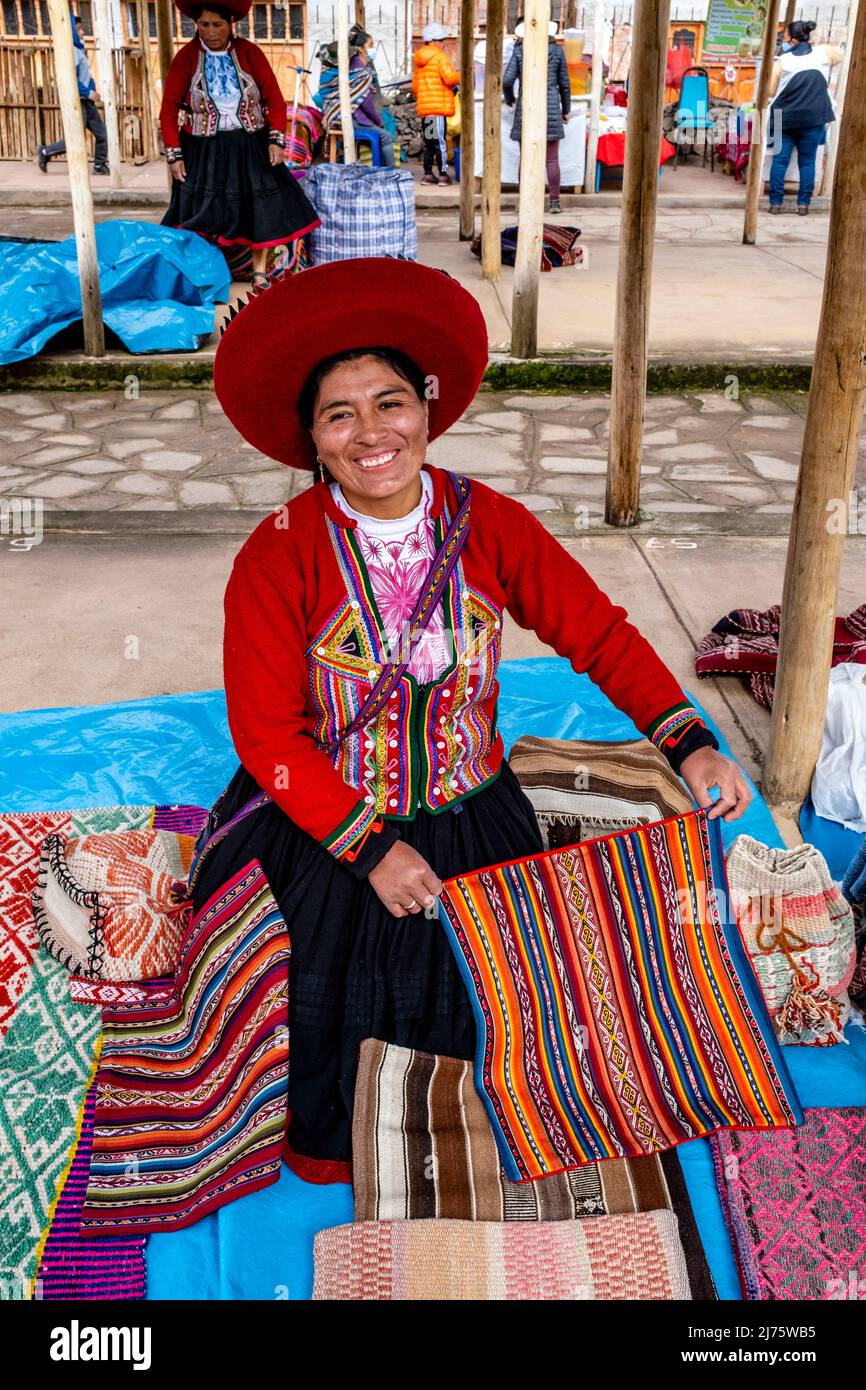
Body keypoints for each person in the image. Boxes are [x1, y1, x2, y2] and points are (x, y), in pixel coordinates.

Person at [202, 257, 753, 1179]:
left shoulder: (488, 521)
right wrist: (372, 848)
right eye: (340, 415)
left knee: (524, 1020)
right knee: (330, 1024)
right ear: (312, 438)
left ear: (426, 405)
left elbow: (600, 636)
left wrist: (689, 741)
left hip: (474, 811)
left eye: (390, 403)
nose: (371, 433)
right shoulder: (279, 555)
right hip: (334, 823)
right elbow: (265, 736)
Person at [159, 0, 319, 288]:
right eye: (204, 25)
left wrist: (276, 141)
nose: (210, 32)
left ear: (230, 24)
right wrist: (174, 155)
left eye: (217, 25)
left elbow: (274, 100)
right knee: (202, 211)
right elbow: (168, 109)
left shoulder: (249, 53)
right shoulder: (186, 58)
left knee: (260, 208)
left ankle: (260, 273)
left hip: (250, 144)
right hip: (203, 148)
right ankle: (203, 272)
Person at [767, 18, 843, 215]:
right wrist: (816, 44)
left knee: (779, 161)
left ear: (792, 40)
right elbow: (840, 54)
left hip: (782, 118)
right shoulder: (823, 54)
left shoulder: (783, 61)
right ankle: (803, 205)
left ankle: (775, 203)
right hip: (813, 118)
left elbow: (770, 90)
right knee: (807, 162)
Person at [504, 18, 571, 214]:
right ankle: (554, 202)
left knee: (525, 158)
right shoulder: (557, 51)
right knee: (551, 159)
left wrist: (510, 98)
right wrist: (565, 110)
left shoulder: (519, 50)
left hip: (527, 107)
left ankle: (524, 201)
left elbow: (507, 80)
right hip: (551, 107)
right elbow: (565, 84)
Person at [37, 10, 109, 176]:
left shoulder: (80, 50)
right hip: (78, 102)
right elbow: (72, 81)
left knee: (102, 133)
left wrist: (93, 91)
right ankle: (45, 152)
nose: (82, 32)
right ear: (71, 32)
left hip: (87, 101)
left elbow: (86, 76)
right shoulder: (71, 53)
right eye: (78, 29)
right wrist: (88, 92)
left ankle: (99, 166)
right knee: (75, 138)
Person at [315, 30, 396, 167]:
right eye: (370, 45)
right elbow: (366, 103)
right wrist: (377, 121)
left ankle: (379, 169)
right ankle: (391, 173)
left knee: (379, 134)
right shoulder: (361, 72)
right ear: (361, 50)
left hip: (337, 114)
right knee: (386, 137)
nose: (372, 49)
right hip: (348, 117)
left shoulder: (351, 66)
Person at [412, 22, 460, 185]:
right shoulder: (440, 57)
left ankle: (427, 174)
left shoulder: (419, 60)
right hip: (438, 108)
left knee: (430, 143)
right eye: (440, 40)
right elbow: (449, 78)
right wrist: (460, 74)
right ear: (432, 41)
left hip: (426, 110)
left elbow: (415, 87)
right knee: (440, 143)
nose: (442, 43)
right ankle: (443, 175)